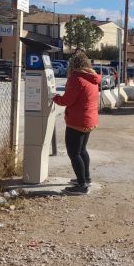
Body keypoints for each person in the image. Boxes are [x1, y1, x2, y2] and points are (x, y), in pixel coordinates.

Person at [52, 52, 101, 195]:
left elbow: (67, 100)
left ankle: (81, 185)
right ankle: (86, 178)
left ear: (74, 64)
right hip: (89, 119)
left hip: (77, 121)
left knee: (74, 153)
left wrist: (54, 97)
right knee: (82, 150)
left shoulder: (76, 78)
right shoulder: (92, 78)